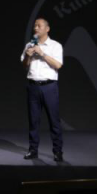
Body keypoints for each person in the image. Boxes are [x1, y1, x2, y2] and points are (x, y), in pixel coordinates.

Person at [20, 17, 64, 161]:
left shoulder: (55, 45)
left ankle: (57, 151)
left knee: (54, 121)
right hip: (33, 86)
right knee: (33, 121)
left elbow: (58, 65)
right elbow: (24, 65)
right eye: (35, 26)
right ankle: (33, 150)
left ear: (47, 29)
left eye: (39, 26)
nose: (36, 28)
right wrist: (28, 56)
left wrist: (42, 53)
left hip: (49, 87)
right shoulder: (29, 45)